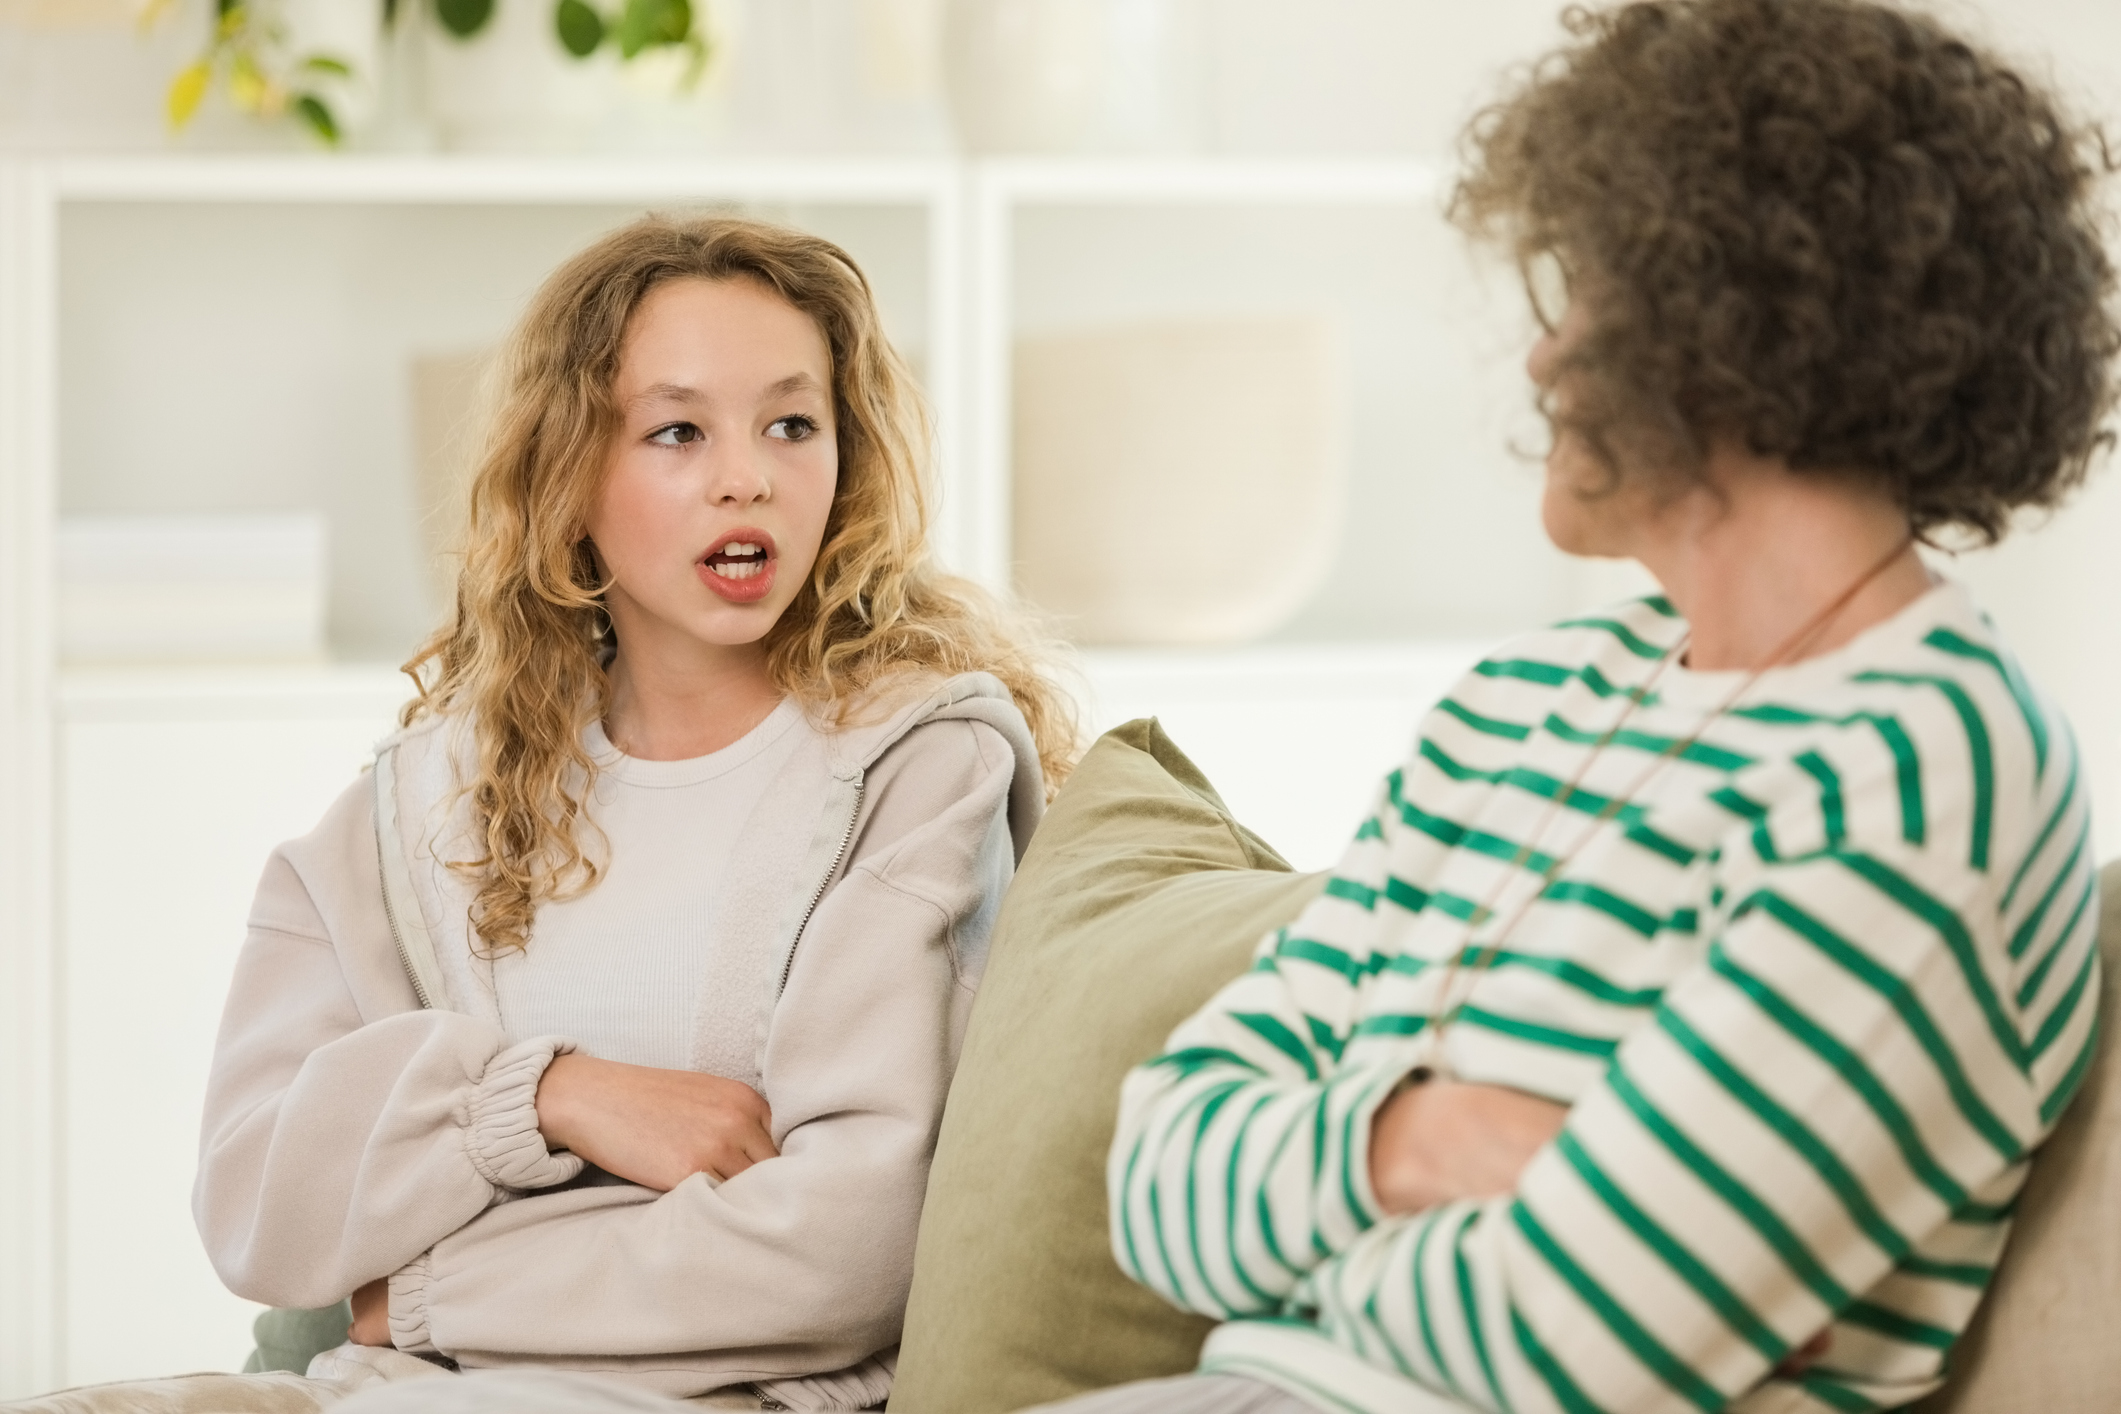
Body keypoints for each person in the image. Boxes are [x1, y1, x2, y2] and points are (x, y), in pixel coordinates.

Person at [1050, 1, 2114, 1411]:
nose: (1545, 360)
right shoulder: (1523, 701)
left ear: (1749, 334)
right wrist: (1415, 1145)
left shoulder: (1926, 770)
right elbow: (1154, 1173)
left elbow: (1579, 1339)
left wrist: (1307, 1225)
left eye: (1594, 295)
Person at [26, 215, 1074, 1412]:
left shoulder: (911, 767)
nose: (748, 476)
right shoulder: (427, 798)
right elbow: (253, 1198)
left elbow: (847, 1247)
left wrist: (430, 1292)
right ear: (568, 476)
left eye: (792, 423)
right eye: (678, 430)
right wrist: (549, 1094)